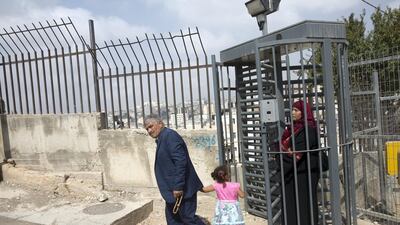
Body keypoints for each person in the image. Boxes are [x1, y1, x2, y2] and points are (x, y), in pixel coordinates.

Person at [144, 115, 205, 225]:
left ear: (160, 124)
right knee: (173, 220)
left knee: (188, 219)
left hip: (182, 190)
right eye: (147, 129)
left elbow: (181, 162)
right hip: (172, 192)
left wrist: (178, 186)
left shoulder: (170, 136)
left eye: (151, 126)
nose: (149, 130)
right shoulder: (162, 138)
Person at [279, 100, 320, 225]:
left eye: (296, 110)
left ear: (304, 112)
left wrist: (280, 159)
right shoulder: (292, 129)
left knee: (304, 203)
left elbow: (297, 152)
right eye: (292, 109)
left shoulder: (308, 130)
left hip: (304, 173)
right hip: (293, 172)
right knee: (292, 202)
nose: (292, 112)